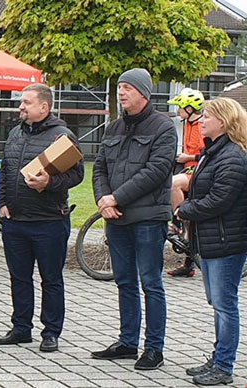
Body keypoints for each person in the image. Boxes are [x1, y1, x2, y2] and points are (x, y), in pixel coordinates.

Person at [91, 68, 177, 370]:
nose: (121, 92)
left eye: (127, 87)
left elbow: (157, 171)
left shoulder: (163, 127)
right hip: (116, 218)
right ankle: (128, 341)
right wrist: (104, 201)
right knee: (124, 281)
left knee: (150, 283)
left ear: (144, 92)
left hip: (148, 218)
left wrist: (117, 198)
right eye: (118, 87)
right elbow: (99, 168)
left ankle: (154, 348)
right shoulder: (112, 128)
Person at [0, 84, 84, 352]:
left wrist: (49, 182)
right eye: (22, 102)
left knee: (51, 279)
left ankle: (51, 332)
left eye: (26, 102)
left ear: (44, 107)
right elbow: (5, 170)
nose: (21, 106)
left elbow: (77, 175)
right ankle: (21, 328)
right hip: (16, 221)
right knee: (19, 278)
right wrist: (1, 203)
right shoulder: (14, 133)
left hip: (49, 222)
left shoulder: (62, 137)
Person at [176, 97, 247, 386]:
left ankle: (224, 366)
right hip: (212, 239)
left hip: (226, 242)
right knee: (218, 303)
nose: (201, 120)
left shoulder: (232, 156)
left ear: (224, 121)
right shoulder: (213, 152)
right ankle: (218, 358)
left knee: (224, 304)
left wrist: (183, 210)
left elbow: (219, 200)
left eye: (207, 116)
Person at [166, 88, 205, 277]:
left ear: (190, 108)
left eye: (180, 107)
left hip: (197, 171)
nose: (178, 110)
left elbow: (206, 153)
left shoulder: (201, 126)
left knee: (174, 184)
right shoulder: (188, 124)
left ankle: (177, 221)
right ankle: (188, 266)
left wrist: (187, 156)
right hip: (187, 168)